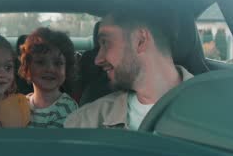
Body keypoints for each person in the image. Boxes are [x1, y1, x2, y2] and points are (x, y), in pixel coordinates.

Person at [64, 10, 193, 130]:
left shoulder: (211, 106)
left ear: (140, 40)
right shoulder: (85, 123)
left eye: (105, 42)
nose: (98, 59)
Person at [19, 27, 78, 128]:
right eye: (40, 62)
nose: (50, 69)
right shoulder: (22, 103)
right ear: (27, 67)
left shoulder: (67, 107)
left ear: (66, 69)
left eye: (57, 63)